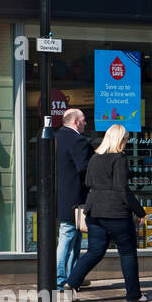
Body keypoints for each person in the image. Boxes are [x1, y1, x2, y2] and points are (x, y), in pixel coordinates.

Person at [63, 123, 149, 302]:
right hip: (116, 213)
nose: (126, 142)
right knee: (127, 253)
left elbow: (87, 182)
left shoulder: (94, 158)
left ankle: (71, 282)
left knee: (94, 252)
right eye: (125, 139)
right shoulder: (119, 159)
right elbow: (122, 190)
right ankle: (134, 294)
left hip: (94, 212)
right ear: (121, 140)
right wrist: (140, 211)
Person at [54, 108, 93, 291]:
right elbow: (84, 169)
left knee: (72, 236)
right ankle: (62, 278)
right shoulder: (78, 141)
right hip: (74, 197)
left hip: (60, 196)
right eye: (84, 120)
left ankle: (72, 277)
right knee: (69, 235)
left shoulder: (55, 137)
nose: (86, 123)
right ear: (76, 122)